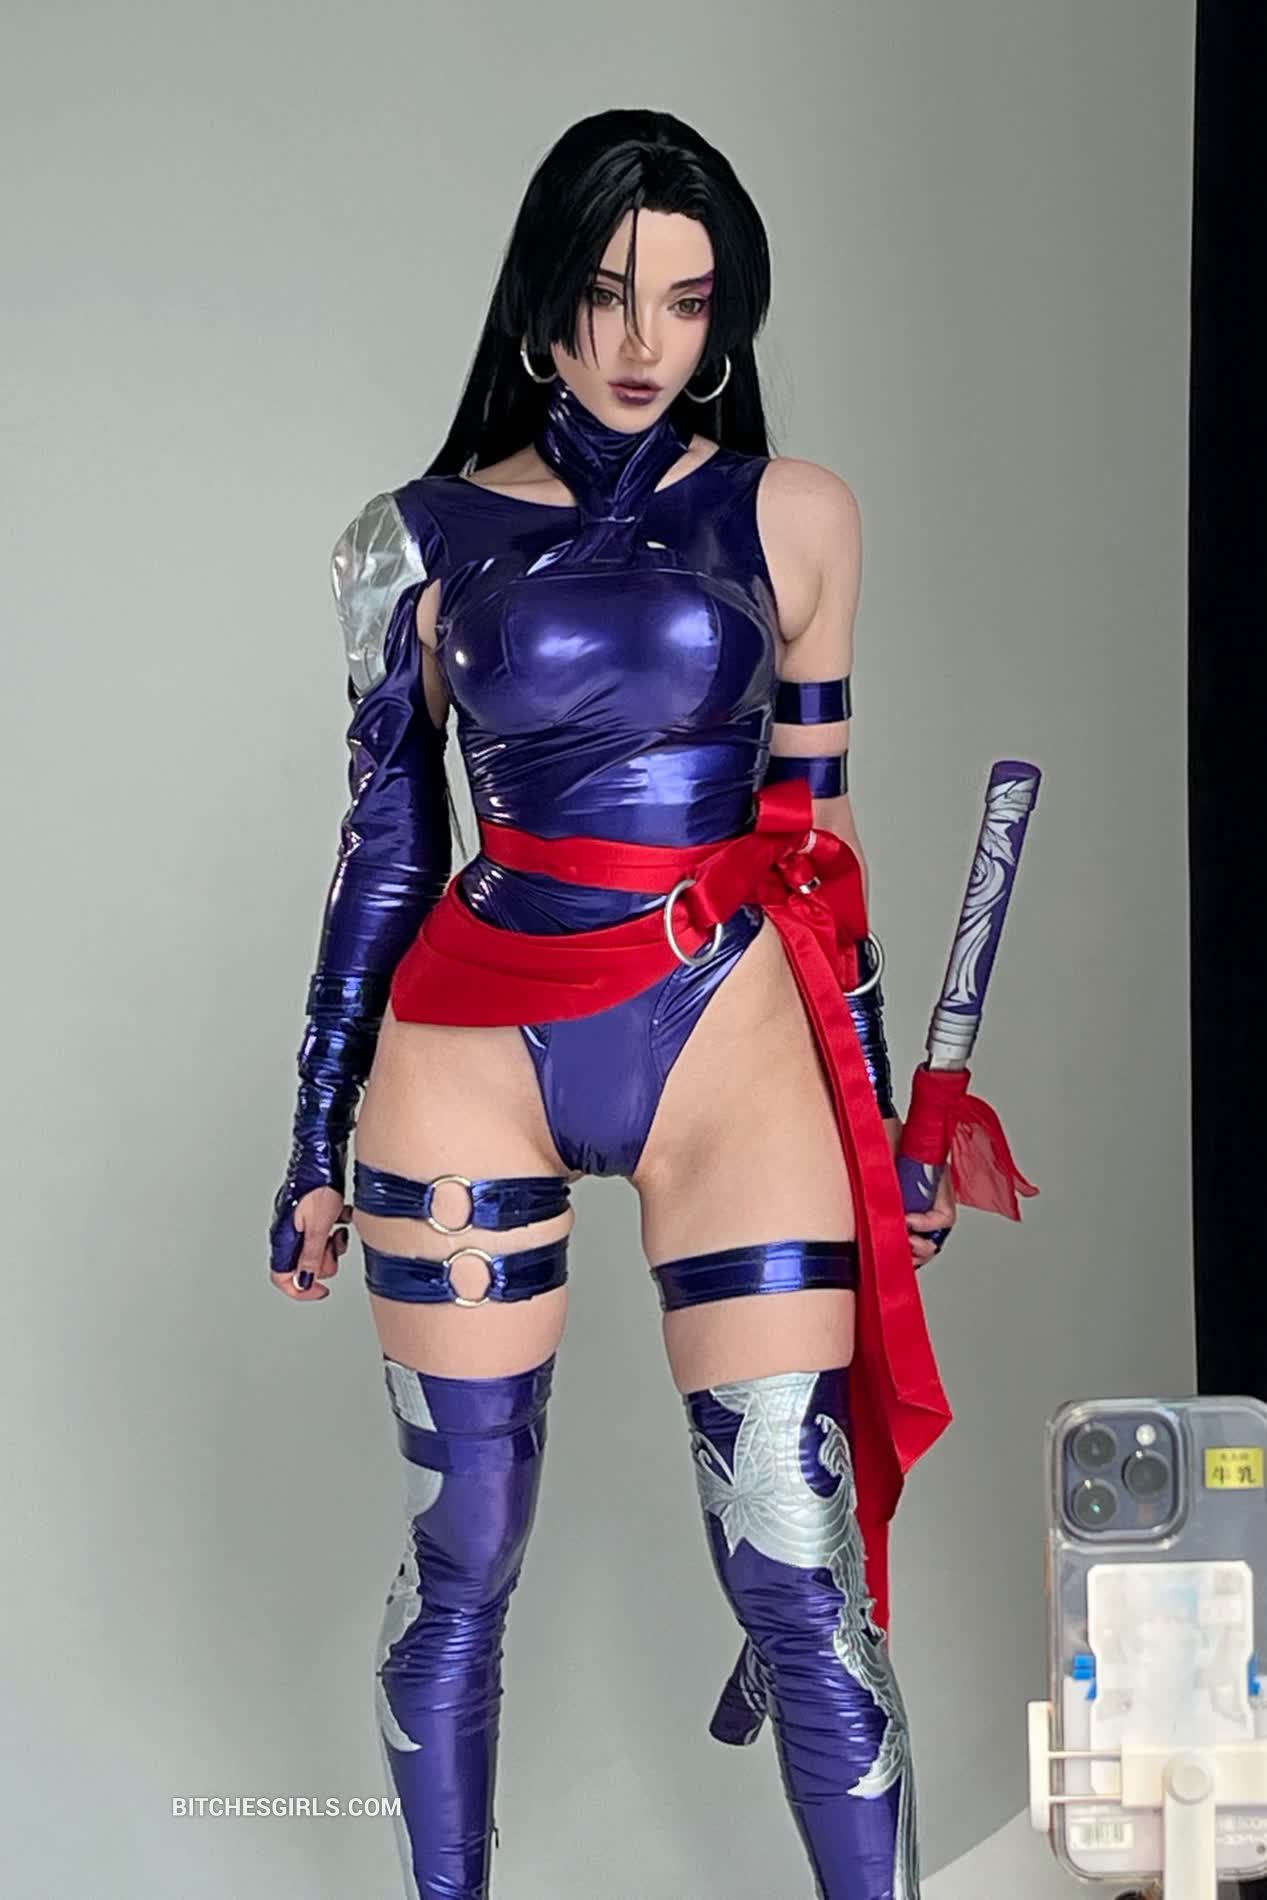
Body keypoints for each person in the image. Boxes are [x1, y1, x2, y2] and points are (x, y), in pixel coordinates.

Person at [268, 106, 957, 1900]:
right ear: (539, 302)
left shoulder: (796, 515)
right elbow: (385, 852)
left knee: (797, 1567)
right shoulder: (407, 541)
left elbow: (818, 846)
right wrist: (312, 1134)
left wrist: (884, 1119)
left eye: (687, 300)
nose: (644, 341)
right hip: (470, 1049)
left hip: (727, 1044)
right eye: (605, 293)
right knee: (465, 1559)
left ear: (726, 316)